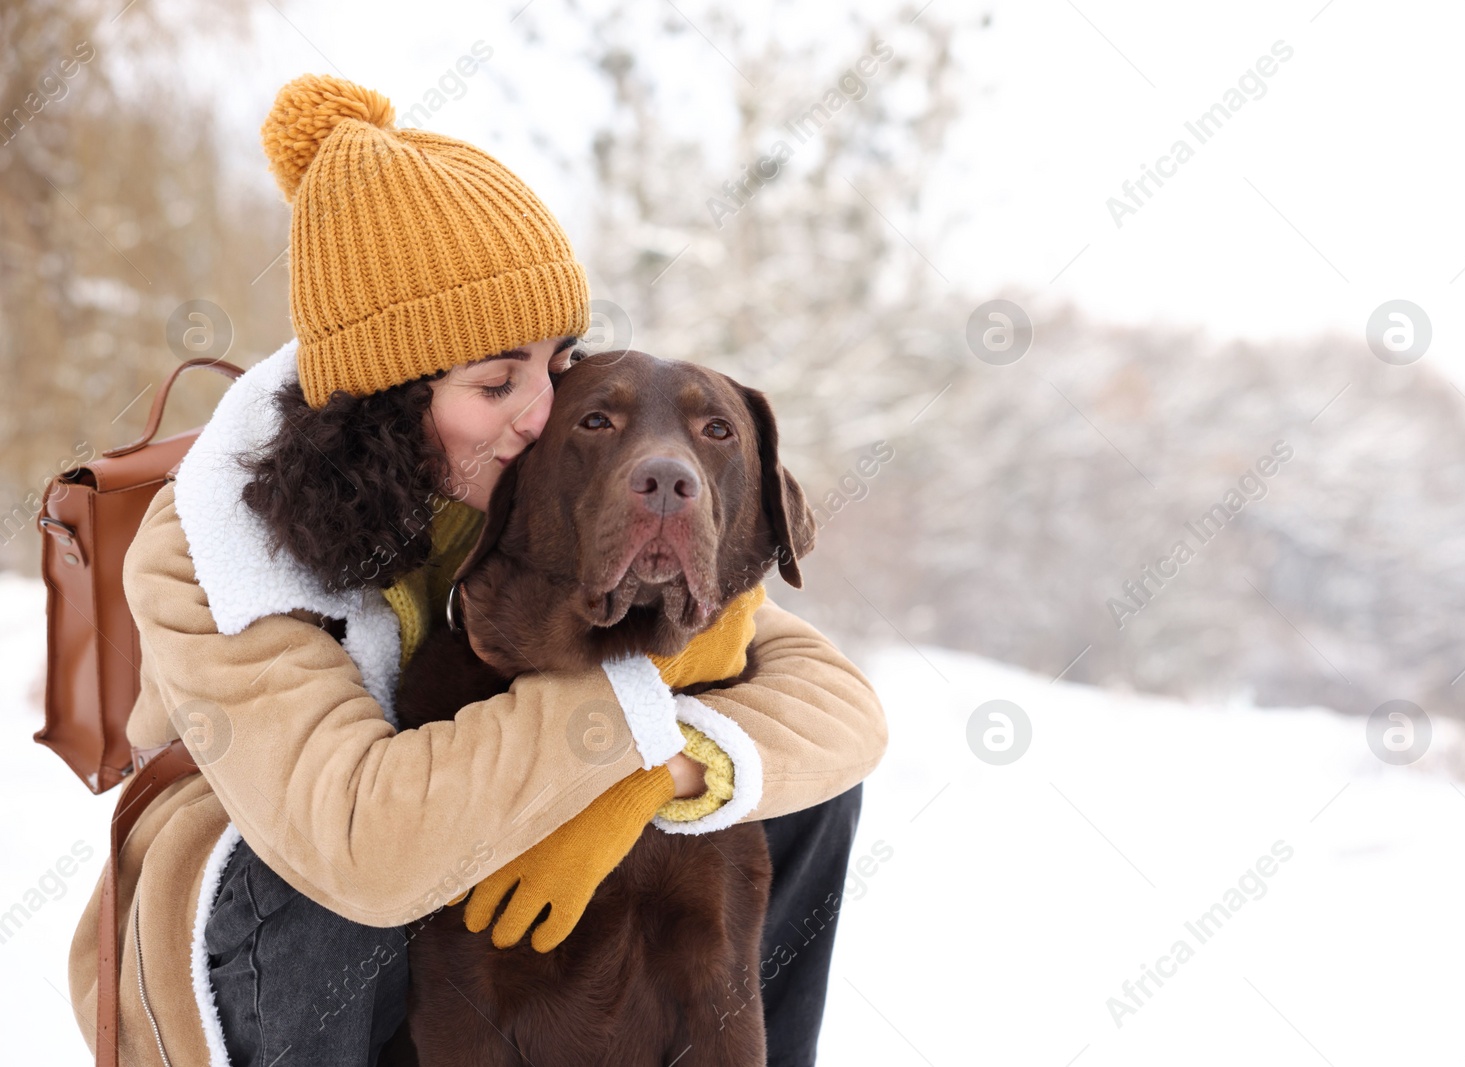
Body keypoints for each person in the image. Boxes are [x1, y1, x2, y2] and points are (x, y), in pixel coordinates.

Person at [65, 73, 888, 1067]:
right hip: (258, 917)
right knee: (317, 881)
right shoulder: (211, 545)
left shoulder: (510, 483)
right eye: (497, 381)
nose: (542, 412)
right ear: (388, 401)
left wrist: (661, 773)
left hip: (429, 874)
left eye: (556, 363)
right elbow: (361, 842)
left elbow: (831, 700)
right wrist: (619, 726)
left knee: (779, 783)